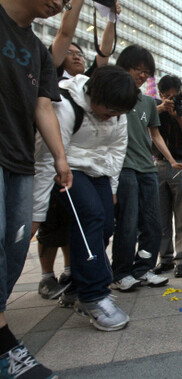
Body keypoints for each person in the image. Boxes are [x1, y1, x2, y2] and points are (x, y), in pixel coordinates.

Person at [33, 65, 137, 331]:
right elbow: (47, 159)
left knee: (103, 227)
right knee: (89, 215)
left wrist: (112, 188)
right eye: (108, 111)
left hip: (99, 171)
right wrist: (36, 211)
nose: (111, 118)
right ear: (95, 96)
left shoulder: (118, 114)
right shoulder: (66, 106)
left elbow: (117, 151)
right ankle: (93, 295)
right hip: (67, 168)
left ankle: (76, 289)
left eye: (117, 114)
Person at [0, 1, 72, 377]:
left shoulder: (39, 53)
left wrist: (60, 158)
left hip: (19, 159)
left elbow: (43, 106)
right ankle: (3, 347)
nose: (61, 3)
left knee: (13, 253)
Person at [37, 0, 121, 303]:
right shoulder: (52, 79)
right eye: (70, 53)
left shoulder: (93, 87)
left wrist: (111, 18)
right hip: (50, 162)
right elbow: (63, 32)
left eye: (80, 54)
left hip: (79, 168)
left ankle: (75, 276)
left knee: (89, 219)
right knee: (50, 227)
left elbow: (105, 53)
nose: (76, 56)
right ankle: (47, 276)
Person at [111, 45, 182, 291]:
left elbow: (155, 135)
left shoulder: (148, 103)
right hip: (124, 166)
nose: (142, 75)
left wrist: (171, 159)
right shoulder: (116, 95)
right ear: (124, 67)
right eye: (137, 69)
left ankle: (143, 269)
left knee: (152, 223)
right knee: (128, 221)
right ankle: (120, 272)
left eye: (146, 72)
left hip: (148, 167)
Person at [152, 75, 182, 278]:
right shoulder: (154, 110)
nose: (172, 99)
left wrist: (178, 116)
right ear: (161, 95)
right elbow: (144, 126)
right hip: (159, 163)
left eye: (175, 95)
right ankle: (166, 259)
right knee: (161, 217)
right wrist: (160, 109)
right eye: (167, 96)